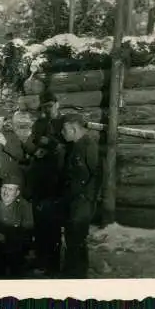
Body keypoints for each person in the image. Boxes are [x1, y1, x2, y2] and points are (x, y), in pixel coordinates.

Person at [23, 90, 67, 276]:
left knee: (53, 224)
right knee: (39, 221)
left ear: (57, 104)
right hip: (39, 179)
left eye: (50, 106)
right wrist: (35, 151)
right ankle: (41, 259)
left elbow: (67, 148)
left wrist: (50, 144)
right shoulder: (39, 124)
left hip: (56, 181)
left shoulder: (65, 124)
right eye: (44, 107)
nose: (47, 110)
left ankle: (54, 264)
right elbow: (29, 144)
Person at [60, 113, 99, 279]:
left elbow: (97, 174)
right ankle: (72, 272)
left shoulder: (88, 145)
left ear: (73, 129)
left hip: (82, 201)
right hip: (74, 199)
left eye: (64, 130)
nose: (62, 134)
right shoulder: (75, 145)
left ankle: (77, 275)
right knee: (72, 237)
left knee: (77, 238)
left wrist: (87, 198)